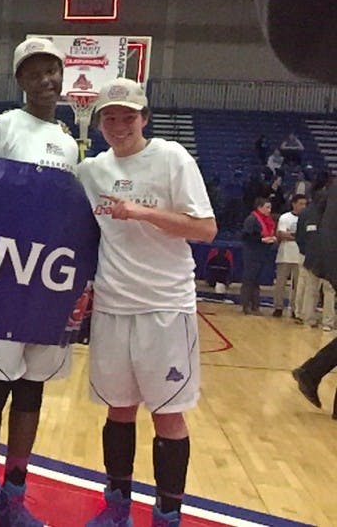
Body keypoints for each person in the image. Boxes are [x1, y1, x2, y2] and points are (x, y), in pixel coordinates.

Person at [77, 78, 217, 527]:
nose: (119, 125)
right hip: (114, 306)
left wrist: (141, 213)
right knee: (118, 410)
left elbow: (205, 229)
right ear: (99, 122)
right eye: (110, 117)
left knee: (167, 415)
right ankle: (116, 505)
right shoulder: (91, 171)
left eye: (128, 116)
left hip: (164, 306)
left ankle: (167, 514)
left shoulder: (171, 158)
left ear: (144, 118)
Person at [0, 37, 79, 527]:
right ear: (21, 81)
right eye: (36, 73)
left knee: (33, 389)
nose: (46, 80)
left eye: (52, 70)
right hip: (5, 279)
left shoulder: (71, 143)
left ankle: (16, 489)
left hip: (47, 287)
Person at [294, 188, 335, 330]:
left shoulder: (306, 213)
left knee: (310, 289)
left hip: (311, 257)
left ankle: (309, 318)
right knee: (328, 291)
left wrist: (305, 252)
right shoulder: (331, 215)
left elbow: (300, 236)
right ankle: (327, 322)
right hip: (327, 258)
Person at [240, 197, 277, 315]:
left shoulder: (268, 220)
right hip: (252, 253)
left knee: (256, 281)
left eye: (270, 207)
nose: (269, 210)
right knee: (249, 280)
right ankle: (246, 305)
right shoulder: (252, 219)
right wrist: (261, 239)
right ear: (259, 207)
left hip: (262, 254)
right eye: (267, 207)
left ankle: (255, 305)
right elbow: (246, 236)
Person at [272, 194, 306, 317]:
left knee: (298, 286)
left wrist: (292, 236)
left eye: (305, 204)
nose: (303, 206)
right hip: (285, 254)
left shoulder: (306, 218)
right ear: (294, 204)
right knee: (280, 283)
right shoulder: (285, 217)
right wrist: (297, 237)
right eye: (301, 203)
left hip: (300, 256)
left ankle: (295, 309)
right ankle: (278, 307)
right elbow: (281, 234)